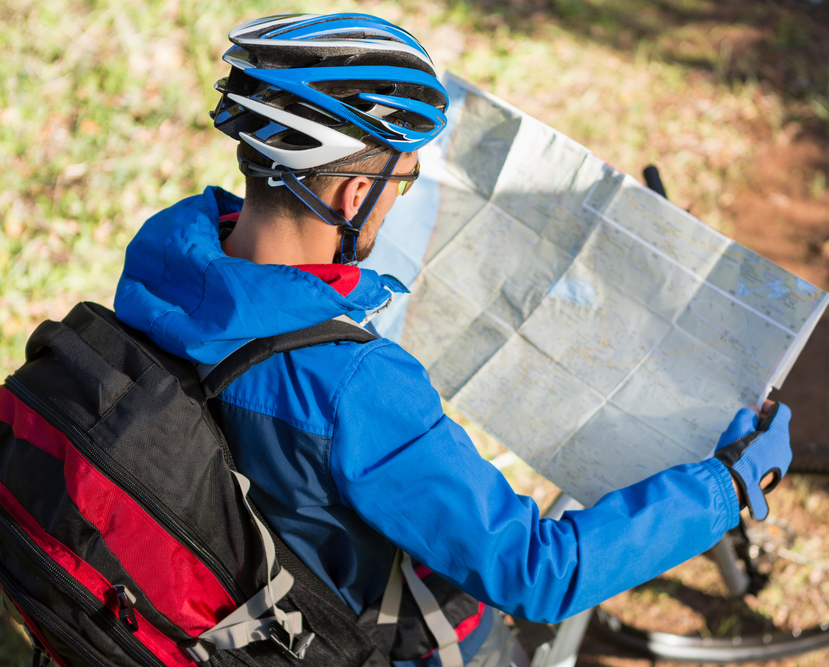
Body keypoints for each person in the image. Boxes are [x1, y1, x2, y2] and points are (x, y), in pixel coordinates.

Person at [113, 13, 793, 667]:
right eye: (400, 182)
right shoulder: (356, 388)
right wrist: (728, 483)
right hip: (393, 636)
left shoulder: (165, 260)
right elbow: (537, 571)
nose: (397, 199)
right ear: (354, 196)